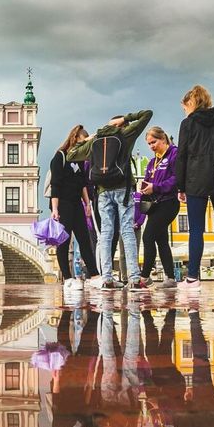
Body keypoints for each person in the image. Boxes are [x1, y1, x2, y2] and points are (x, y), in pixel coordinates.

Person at [65, 109, 153, 291]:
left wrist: (90, 139)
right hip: (123, 188)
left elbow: (70, 154)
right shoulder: (125, 134)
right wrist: (126, 119)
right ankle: (135, 279)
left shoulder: (96, 140)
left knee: (105, 233)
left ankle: (107, 279)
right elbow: (147, 114)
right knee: (127, 231)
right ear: (120, 124)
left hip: (103, 192)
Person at [174, 85, 214, 291]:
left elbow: (182, 156)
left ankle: (193, 278)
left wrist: (180, 186)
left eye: (184, 107)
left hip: (196, 180)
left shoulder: (188, 124)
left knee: (196, 230)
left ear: (191, 103)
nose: (184, 111)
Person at [50, 124, 99, 289]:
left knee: (84, 239)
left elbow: (83, 184)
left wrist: (87, 204)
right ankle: (68, 278)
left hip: (77, 203)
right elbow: (55, 185)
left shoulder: (79, 161)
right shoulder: (60, 156)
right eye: (83, 143)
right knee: (63, 241)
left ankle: (94, 275)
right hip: (62, 203)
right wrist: (55, 209)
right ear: (75, 139)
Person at [138, 127, 180, 288]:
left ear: (163, 139)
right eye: (149, 144)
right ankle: (170, 278)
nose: (152, 146)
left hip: (168, 202)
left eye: (154, 142)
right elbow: (148, 180)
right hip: (154, 205)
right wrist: (145, 190)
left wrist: (155, 187)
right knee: (162, 240)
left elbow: (176, 179)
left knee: (148, 237)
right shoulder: (152, 162)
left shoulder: (174, 154)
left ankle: (145, 277)